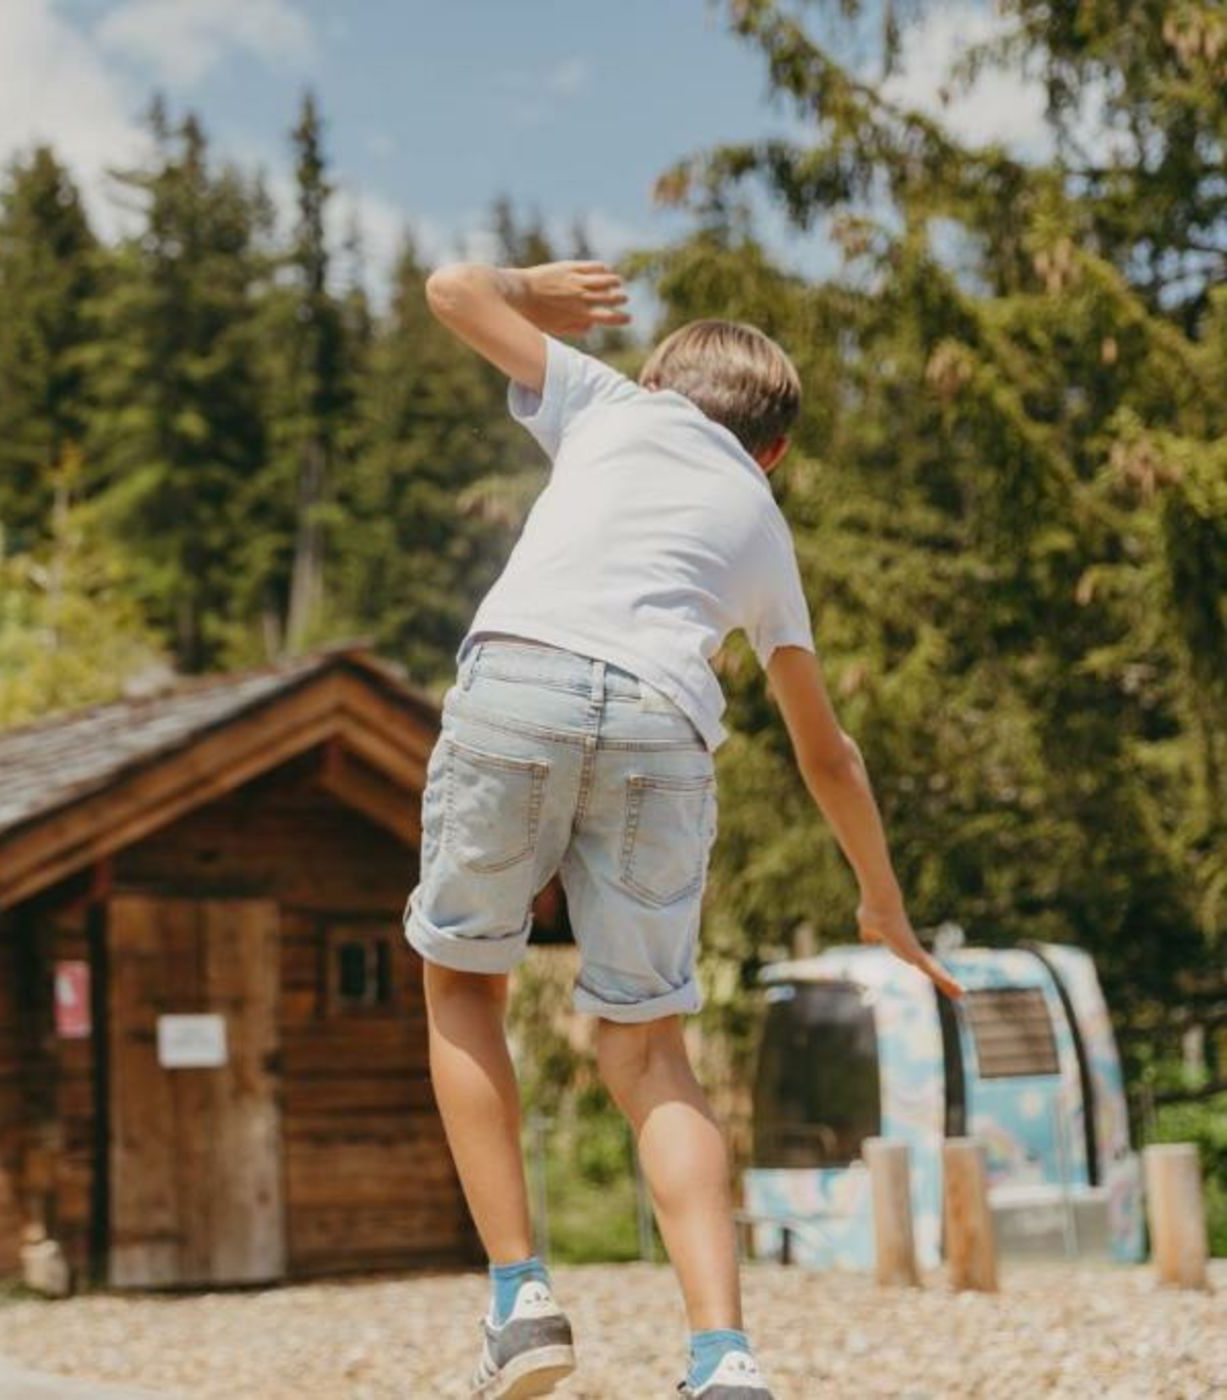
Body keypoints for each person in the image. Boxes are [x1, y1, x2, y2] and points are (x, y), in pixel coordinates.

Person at [410, 260, 963, 1400]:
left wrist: (530, 291)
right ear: (773, 453)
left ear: (659, 382)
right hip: (663, 727)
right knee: (649, 1046)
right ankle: (722, 1356)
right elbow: (825, 751)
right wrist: (879, 898)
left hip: (519, 684)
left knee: (463, 980)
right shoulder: (760, 523)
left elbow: (449, 288)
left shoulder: (608, 402)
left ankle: (520, 1301)